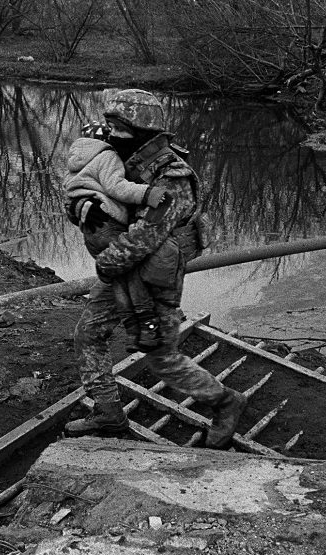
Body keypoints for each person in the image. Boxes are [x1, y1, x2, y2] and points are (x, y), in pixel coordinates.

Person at [64, 88, 248, 448]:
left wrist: (105, 262)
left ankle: (225, 403)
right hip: (119, 271)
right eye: (109, 126)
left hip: (152, 278)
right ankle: (108, 414)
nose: (111, 135)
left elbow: (145, 237)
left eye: (119, 127)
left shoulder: (172, 176)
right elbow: (88, 190)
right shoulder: (121, 159)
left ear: (142, 128)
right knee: (88, 335)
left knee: (160, 354)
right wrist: (82, 208)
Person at [63, 121, 170, 351]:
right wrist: (148, 194)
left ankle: (134, 333)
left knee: (119, 279)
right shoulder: (108, 156)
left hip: (91, 235)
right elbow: (117, 187)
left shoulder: (77, 160)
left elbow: (69, 192)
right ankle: (148, 329)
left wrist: (77, 205)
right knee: (133, 278)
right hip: (110, 228)